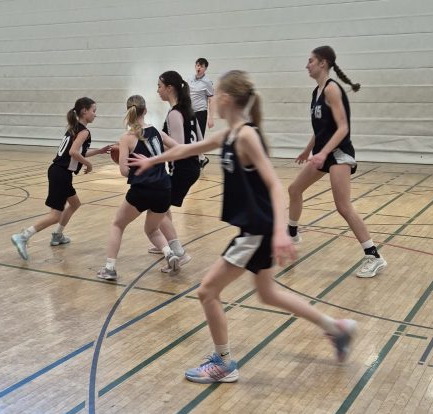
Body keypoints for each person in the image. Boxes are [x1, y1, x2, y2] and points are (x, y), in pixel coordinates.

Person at [129, 70, 357, 383]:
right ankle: (337, 328)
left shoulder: (247, 136)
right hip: (255, 229)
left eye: (214, 96)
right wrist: (150, 161)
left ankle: (223, 363)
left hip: (257, 231)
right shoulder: (231, 134)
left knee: (207, 292)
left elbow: (275, 185)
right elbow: (185, 150)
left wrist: (280, 232)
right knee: (268, 294)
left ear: (224, 98)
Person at [288, 46, 387, 278]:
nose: (307, 65)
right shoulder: (316, 92)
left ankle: (374, 256)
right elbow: (321, 129)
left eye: (310, 61)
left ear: (323, 63)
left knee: (343, 206)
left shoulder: (332, 90)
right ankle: (291, 233)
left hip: (339, 154)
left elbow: (343, 128)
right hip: (324, 153)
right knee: (294, 189)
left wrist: (323, 154)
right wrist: (308, 150)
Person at [11, 97, 110, 260]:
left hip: (59, 172)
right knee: (55, 215)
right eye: (94, 111)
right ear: (84, 111)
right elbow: (73, 153)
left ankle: (57, 235)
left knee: (75, 203)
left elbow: (75, 152)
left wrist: (98, 152)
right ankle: (23, 236)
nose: (95, 114)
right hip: (61, 174)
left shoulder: (74, 128)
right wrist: (89, 164)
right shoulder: (84, 131)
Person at [97, 95, 179, 282]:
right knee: (152, 229)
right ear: (145, 110)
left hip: (142, 189)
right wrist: (157, 158)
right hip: (164, 188)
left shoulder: (127, 137)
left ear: (128, 111)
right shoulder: (157, 132)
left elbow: (124, 171)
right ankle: (170, 255)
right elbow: (177, 148)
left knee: (118, 224)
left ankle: (109, 268)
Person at [149, 70, 196, 271]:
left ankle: (179, 253)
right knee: (163, 207)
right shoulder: (188, 110)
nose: (158, 90)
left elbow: (178, 148)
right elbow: (197, 140)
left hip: (183, 168)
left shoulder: (175, 113)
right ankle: (166, 244)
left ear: (169, 88)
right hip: (191, 166)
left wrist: (152, 154)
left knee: (155, 209)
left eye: (159, 86)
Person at [189, 57, 215, 169]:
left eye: (201, 66)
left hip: (201, 113)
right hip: (190, 112)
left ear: (205, 68)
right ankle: (202, 159)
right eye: (197, 65)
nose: (199, 68)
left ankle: (199, 160)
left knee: (199, 138)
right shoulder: (190, 79)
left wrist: (211, 118)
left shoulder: (207, 82)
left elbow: (211, 99)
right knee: (190, 137)